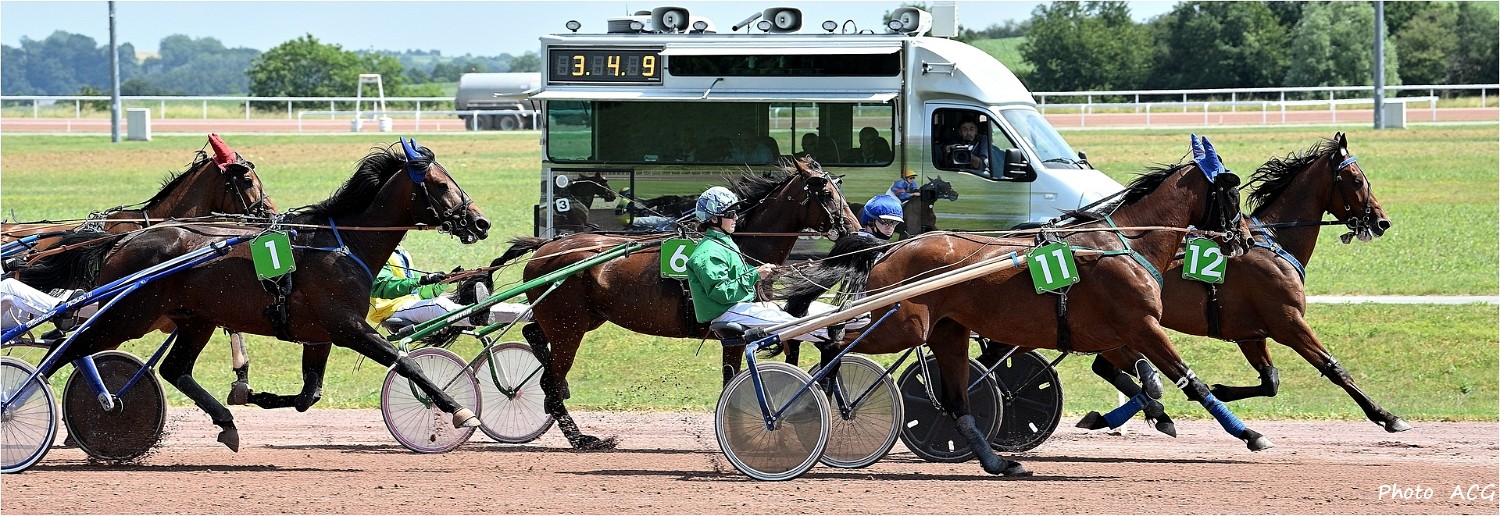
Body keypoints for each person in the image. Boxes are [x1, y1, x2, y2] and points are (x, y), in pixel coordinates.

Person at [685, 187, 860, 342]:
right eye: (730, 214)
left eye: (736, 212)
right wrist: (755, 275)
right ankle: (828, 329)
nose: (736, 217)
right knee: (789, 323)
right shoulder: (708, 252)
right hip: (726, 312)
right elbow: (721, 293)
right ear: (714, 219)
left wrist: (784, 270)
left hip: (740, 306)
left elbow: (738, 276)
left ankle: (842, 316)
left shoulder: (722, 243)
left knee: (794, 310)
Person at [1, 278, 91, 330]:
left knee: (69, 297)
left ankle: (95, 306)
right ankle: (57, 310)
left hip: (10, 313)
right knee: (7, 285)